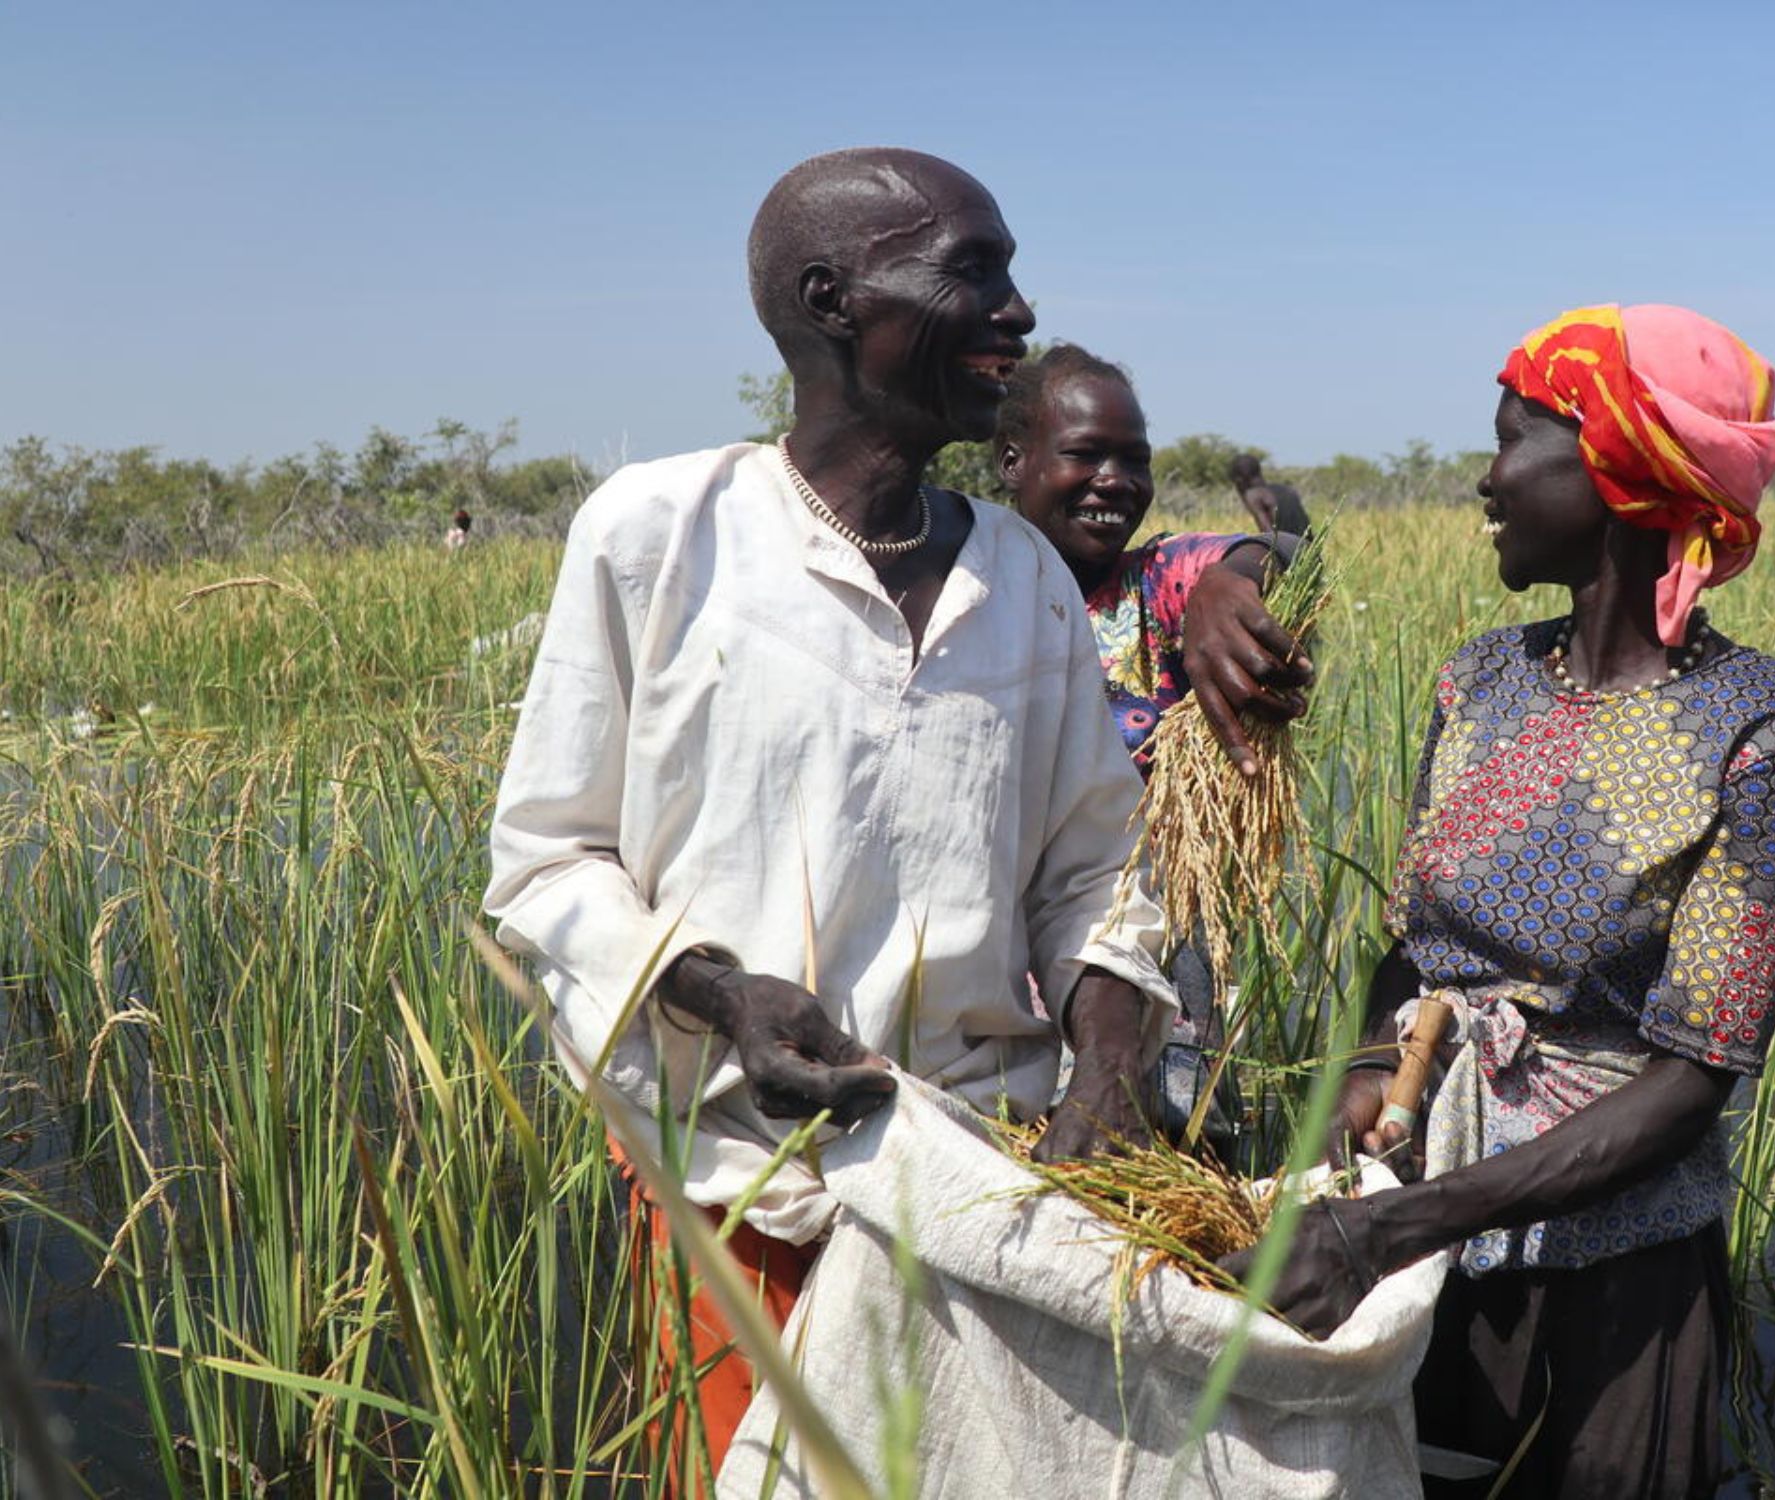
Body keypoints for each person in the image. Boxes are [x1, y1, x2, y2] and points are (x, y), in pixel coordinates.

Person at [483, 148, 1178, 1493]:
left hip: (988, 1193)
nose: (1017, 313)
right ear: (833, 299)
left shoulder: (1022, 572)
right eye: (972, 270)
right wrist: (724, 994)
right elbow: (546, 864)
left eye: (1011, 274)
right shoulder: (661, 534)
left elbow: (1096, 871)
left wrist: (1105, 1075)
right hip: (745, 1191)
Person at [1228, 305, 1775, 1497]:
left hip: (1610, 1284)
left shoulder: (1764, 733)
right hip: (1422, 1236)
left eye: (1512, 439)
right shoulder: (1477, 680)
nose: (1482, 477)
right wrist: (1372, 1067)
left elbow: (1686, 1080)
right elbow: (1417, 948)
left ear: (1616, 469)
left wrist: (1389, 1231)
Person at [994, 343, 1312, 1152]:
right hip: (1005, 948)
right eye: (1084, 454)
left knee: (1165, 1152)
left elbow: (1273, 552)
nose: (1114, 479)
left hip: (1157, 953)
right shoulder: (977, 592)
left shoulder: (1154, 586)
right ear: (1011, 461)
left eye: (1134, 460)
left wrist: (1227, 586)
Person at [1229, 451, 1312, 538]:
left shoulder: (1253, 495)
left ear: (1240, 479)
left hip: (1285, 547)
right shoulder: (1288, 490)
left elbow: (1269, 536)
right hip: (1308, 547)